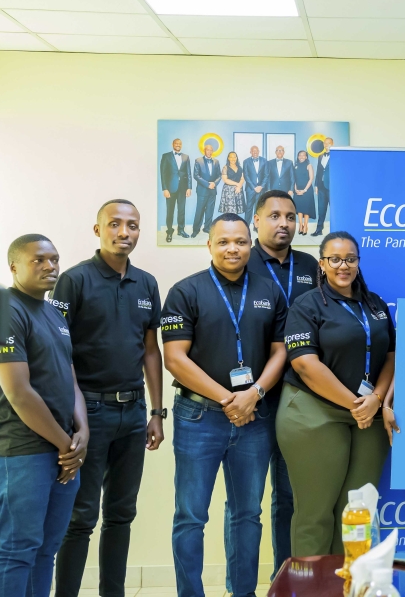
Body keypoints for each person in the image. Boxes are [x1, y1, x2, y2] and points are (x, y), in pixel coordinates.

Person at [161, 214, 288, 597]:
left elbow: (281, 351)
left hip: (255, 417)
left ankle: (243, 592)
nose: (233, 248)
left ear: (250, 245)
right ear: (210, 245)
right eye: (224, 242)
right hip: (199, 416)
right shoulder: (185, 291)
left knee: (247, 514)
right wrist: (228, 397)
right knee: (191, 516)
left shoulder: (269, 290)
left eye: (241, 242)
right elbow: (175, 358)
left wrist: (254, 395)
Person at [53, 201, 166, 597]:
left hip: (134, 413)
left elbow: (151, 350)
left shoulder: (147, 283)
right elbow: (58, 351)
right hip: (90, 412)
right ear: (97, 229)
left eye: (132, 226)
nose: (124, 232)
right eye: (114, 224)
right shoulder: (73, 280)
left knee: (121, 515)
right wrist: (76, 416)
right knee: (80, 517)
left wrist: (156, 411)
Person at [277, 231, 399, 557]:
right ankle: (310, 590)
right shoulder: (306, 305)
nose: (343, 265)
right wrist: (357, 404)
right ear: (322, 264)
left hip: (367, 415)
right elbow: (305, 364)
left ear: (358, 262)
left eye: (350, 259)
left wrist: (375, 400)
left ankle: (350, 585)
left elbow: (391, 356)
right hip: (312, 412)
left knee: (357, 512)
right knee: (315, 513)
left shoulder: (374, 304)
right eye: (335, 259)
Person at [0, 235, 88, 597]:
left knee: (46, 549)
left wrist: (83, 433)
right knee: (18, 550)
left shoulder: (54, 313)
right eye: (39, 260)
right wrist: (67, 445)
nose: (51, 266)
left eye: (55, 259)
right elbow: (18, 392)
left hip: (62, 452)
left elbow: (70, 378)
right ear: (14, 266)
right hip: (20, 451)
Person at [243, 190, 320, 576]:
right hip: (255, 395)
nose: (284, 223)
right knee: (247, 502)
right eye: (274, 216)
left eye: (290, 217)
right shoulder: (243, 260)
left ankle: (286, 578)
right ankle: (240, 583)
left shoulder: (310, 264)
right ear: (256, 220)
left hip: (302, 395)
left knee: (291, 495)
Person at [160, 138, 191, 242]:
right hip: (170, 188)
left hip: (183, 188)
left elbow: (189, 173)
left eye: (180, 144)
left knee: (181, 211)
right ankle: (169, 231)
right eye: (176, 143)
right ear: (173, 144)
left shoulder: (186, 157)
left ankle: (181, 230)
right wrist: (165, 189)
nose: (178, 145)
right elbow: (163, 174)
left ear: (181, 145)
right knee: (170, 211)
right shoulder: (166, 156)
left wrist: (189, 187)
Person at [191, 146, 221, 237]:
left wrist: (214, 183)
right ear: (204, 151)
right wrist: (208, 184)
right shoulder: (198, 160)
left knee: (210, 211)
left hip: (212, 190)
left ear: (213, 151)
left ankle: (207, 228)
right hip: (202, 190)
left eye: (211, 150)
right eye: (208, 150)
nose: (209, 151)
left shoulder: (216, 161)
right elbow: (196, 175)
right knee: (199, 210)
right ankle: (196, 230)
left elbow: (219, 175)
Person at [313, 136, 333, 237]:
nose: (326, 145)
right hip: (321, 187)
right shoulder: (320, 156)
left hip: (332, 187)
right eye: (325, 143)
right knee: (321, 209)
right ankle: (319, 229)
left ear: (332, 144)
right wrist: (316, 185)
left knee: (333, 210)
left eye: (328, 143)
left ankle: (334, 231)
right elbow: (319, 171)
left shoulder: (337, 156)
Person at [292, 150, 315, 235]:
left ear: (306, 157)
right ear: (298, 157)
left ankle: (305, 225)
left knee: (306, 209)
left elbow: (311, 178)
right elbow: (293, 179)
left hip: (307, 190)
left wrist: (304, 190)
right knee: (299, 209)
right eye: (300, 155)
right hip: (297, 190)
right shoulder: (295, 166)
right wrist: (296, 189)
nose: (301, 157)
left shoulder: (309, 165)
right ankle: (300, 225)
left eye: (303, 155)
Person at [243, 146, 266, 228]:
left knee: (258, 208)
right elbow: (246, 175)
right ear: (250, 152)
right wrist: (254, 187)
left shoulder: (264, 160)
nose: (255, 152)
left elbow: (266, 175)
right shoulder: (246, 161)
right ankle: (246, 226)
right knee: (248, 208)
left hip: (261, 189)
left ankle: (256, 226)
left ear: (259, 151)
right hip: (250, 189)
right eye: (253, 151)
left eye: (256, 151)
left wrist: (261, 186)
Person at [218, 151, 246, 216]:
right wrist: (237, 184)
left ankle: (235, 225)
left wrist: (239, 186)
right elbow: (225, 180)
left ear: (236, 158)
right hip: (228, 191)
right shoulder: (225, 168)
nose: (233, 159)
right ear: (228, 158)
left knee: (237, 211)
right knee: (229, 211)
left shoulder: (240, 168)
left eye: (234, 157)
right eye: (231, 157)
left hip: (238, 190)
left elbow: (242, 178)